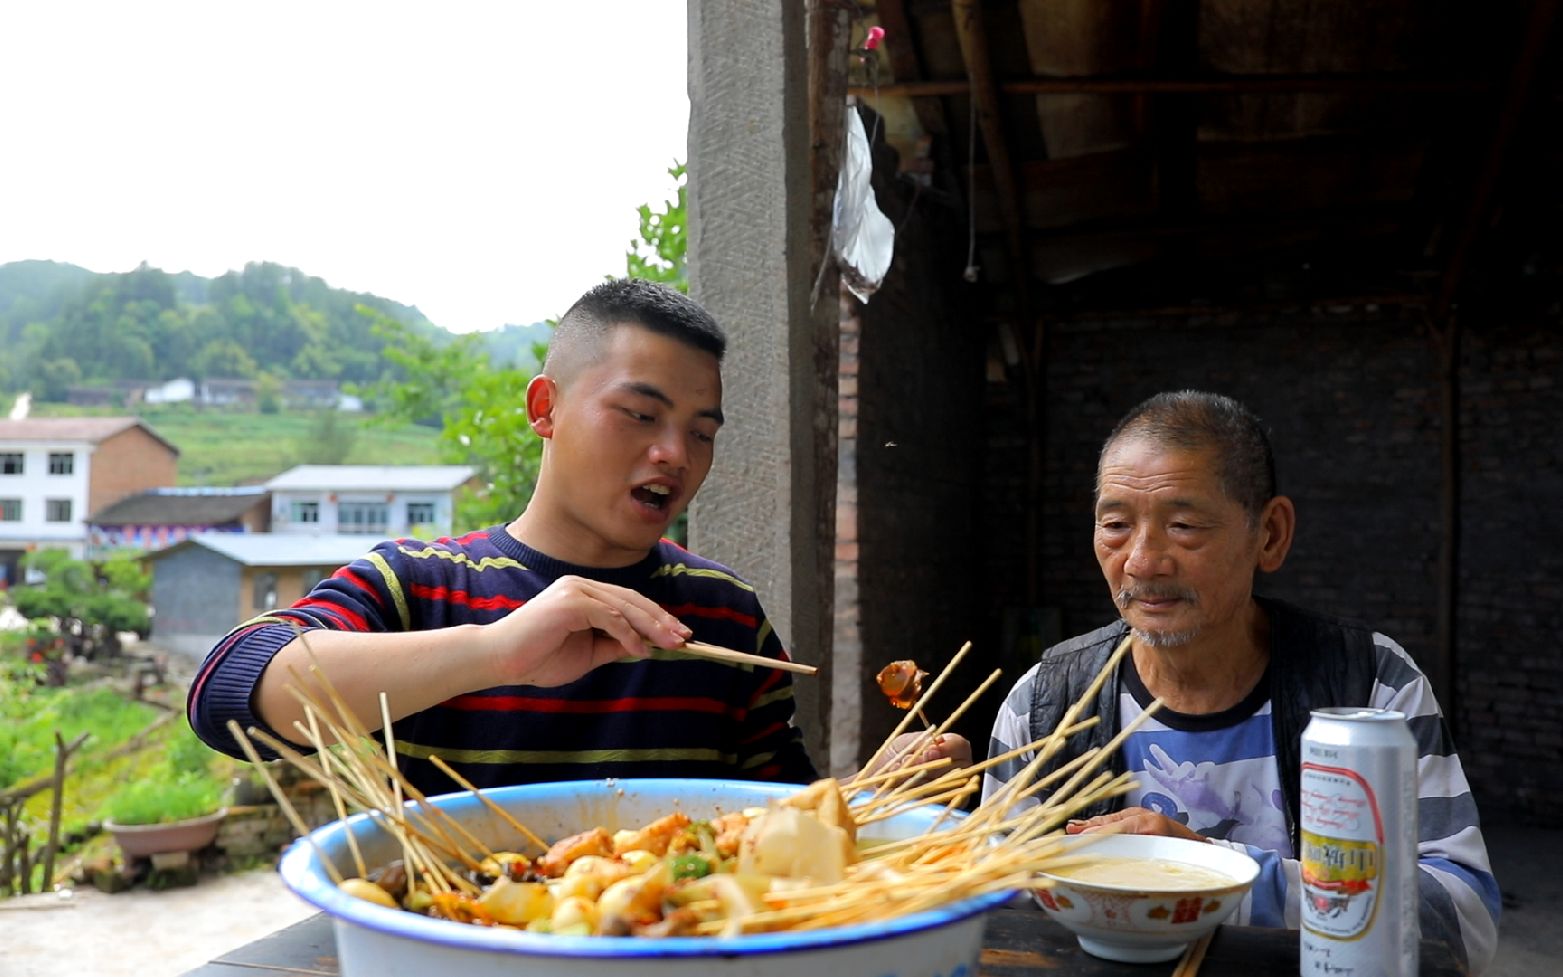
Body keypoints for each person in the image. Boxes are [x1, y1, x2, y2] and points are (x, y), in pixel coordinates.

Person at [189, 278, 963, 796]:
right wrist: (502, 648)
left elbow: (779, 815)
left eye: (701, 430)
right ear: (545, 408)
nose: (675, 452)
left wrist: (871, 798)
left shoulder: (724, 615)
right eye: (639, 413)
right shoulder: (419, 583)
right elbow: (225, 691)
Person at [981, 390, 1499, 975]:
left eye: (1183, 525)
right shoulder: (1044, 707)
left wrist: (1213, 876)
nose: (1143, 562)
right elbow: (996, 911)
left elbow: (1464, 917)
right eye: (1117, 524)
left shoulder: (1369, 689)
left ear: (1270, 534)